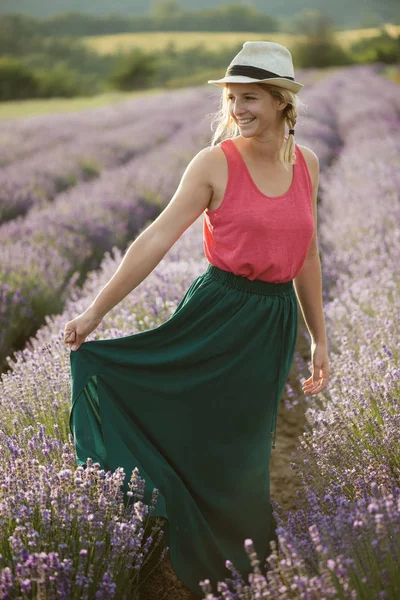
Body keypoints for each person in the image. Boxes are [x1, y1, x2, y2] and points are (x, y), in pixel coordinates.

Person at [64, 41, 331, 598]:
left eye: (250, 97)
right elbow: (156, 238)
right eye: (232, 97)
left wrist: (318, 337)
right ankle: (196, 547)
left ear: (283, 101)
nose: (238, 108)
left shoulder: (307, 164)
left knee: (243, 442)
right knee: (199, 430)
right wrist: (95, 311)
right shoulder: (214, 163)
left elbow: (307, 254)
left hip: (272, 322)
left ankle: (242, 554)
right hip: (216, 314)